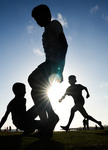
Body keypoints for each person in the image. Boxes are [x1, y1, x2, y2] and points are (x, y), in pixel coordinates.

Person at [28, 4, 68, 136]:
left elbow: (64, 44)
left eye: (38, 18)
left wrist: (59, 69)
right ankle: (47, 125)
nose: (37, 21)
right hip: (48, 63)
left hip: (53, 64)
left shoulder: (54, 24)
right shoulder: (44, 33)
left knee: (32, 80)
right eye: (35, 19)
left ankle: (50, 118)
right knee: (36, 93)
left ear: (47, 15)